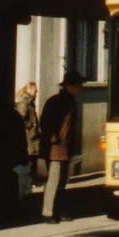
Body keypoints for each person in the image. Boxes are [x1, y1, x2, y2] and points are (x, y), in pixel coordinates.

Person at [40, 71, 84, 224]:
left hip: (61, 147)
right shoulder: (62, 102)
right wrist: (56, 139)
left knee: (60, 181)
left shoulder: (60, 101)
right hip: (57, 148)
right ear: (71, 87)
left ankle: (56, 211)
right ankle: (49, 212)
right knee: (55, 180)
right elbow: (48, 125)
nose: (80, 89)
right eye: (78, 86)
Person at [15, 82, 40, 194]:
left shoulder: (29, 102)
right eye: (35, 91)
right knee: (29, 159)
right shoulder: (24, 102)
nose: (36, 93)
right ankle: (29, 182)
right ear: (29, 90)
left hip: (31, 136)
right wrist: (30, 125)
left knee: (32, 159)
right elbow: (20, 117)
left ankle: (31, 181)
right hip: (28, 136)